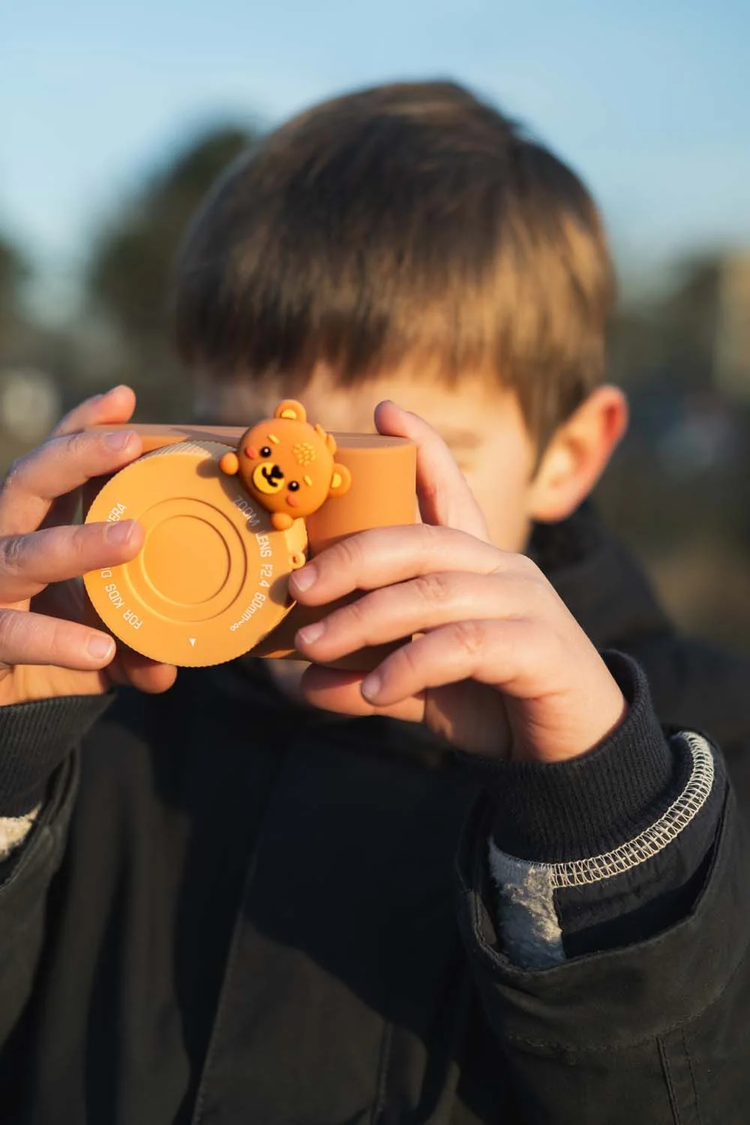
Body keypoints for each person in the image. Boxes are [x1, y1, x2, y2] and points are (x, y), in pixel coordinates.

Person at [0, 81, 749, 1124]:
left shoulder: (688, 762)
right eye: (243, 459)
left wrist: (594, 810)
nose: (307, 528)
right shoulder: (111, 720)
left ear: (568, 457)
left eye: (384, 466)